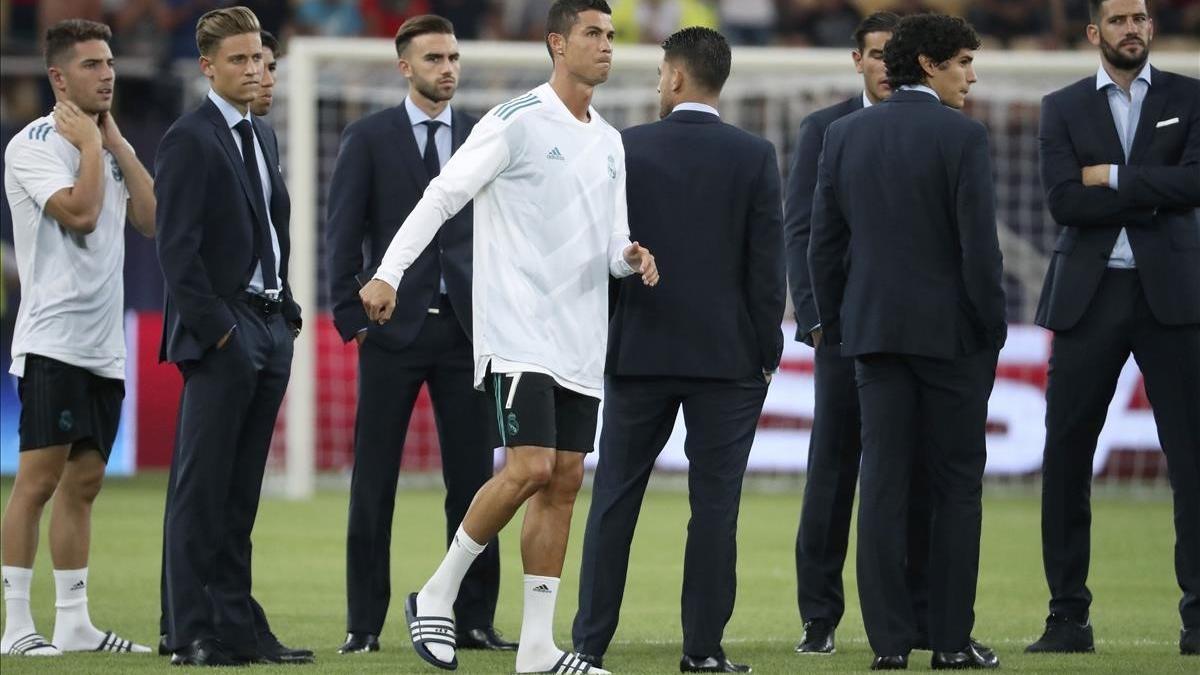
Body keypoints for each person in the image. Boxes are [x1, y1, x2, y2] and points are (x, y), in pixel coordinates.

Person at [359, 2, 658, 671]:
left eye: (611, 35)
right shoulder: (515, 121)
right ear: (557, 42)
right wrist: (388, 273)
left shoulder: (610, 140)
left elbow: (610, 240)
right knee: (528, 466)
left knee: (565, 479)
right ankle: (436, 592)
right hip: (518, 329)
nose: (607, 45)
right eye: (593, 33)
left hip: (582, 336)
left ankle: (536, 646)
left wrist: (629, 256)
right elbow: (442, 194)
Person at [568, 26, 782, 674]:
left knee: (613, 502)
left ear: (679, 78)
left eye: (662, 73)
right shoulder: (755, 155)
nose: (659, 83)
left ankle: (587, 644)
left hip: (640, 354)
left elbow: (603, 252)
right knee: (715, 509)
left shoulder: (627, 147)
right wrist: (764, 353)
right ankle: (703, 651)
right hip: (726, 361)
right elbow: (766, 269)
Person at [808, 13, 1007, 671]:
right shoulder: (963, 137)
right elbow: (980, 251)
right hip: (951, 341)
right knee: (955, 488)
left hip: (872, 339)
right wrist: (991, 329)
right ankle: (949, 640)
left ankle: (890, 644)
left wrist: (839, 326)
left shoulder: (842, 134)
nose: (971, 78)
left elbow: (823, 246)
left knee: (883, 486)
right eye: (962, 64)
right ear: (929, 64)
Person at [326, 14, 513, 656]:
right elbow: (342, 234)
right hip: (392, 336)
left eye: (454, 56)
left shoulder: (486, 135)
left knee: (474, 483)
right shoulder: (368, 138)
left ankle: (475, 619)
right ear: (405, 67)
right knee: (373, 484)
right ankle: (363, 624)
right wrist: (352, 322)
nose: (448, 68)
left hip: (466, 335)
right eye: (434, 58)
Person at [1026, 0, 1200, 657]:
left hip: (1175, 299)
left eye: (1141, 17)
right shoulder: (1061, 105)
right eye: (1119, 19)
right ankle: (1067, 616)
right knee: (1067, 461)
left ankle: (1199, 619)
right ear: (1095, 32)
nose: (1132, 27)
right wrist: (1158, 188)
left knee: (1192, 461)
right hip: (1086, 299)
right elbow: (1063, 200)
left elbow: (1198, 183)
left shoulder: (1192, 97)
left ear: (1152, 28)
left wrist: (1117, 177)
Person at [152, 28, 312, 665]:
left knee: (240, 492)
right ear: (208, 66)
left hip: (269, 325)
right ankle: (187, 629)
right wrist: (219, 329)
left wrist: (286, 313)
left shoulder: (262, 134)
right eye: (241, 59)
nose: (254, 70)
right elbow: (176, 250)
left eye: (260, 60)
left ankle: (236, 626)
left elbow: (270, 231)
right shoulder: (189, 138)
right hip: (225, 330)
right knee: (202, 487)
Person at [0, 18, 154, 657]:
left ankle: (74, 622)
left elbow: (148, 219)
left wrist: (115, 145)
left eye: (110, 62)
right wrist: (91, 149)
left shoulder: (107, 142)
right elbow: (83, 216)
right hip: (54, 340)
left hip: (103, 344)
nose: (108, 73)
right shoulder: (32, 144)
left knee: (85, 481)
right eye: (92, 64)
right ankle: (14, 627)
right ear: (59, 77)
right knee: (36, 481)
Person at [784, 11, 932, 657]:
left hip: (914, 334)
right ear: (857, 60)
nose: (884, 65)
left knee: (912, 472)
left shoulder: (934, 129)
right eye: (875, 54)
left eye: (892, 55)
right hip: (845, 331)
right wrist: (816, 319)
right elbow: (801, 231)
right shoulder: (824, 129)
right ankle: (819, 614)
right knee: (833, 468)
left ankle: (916, 613)